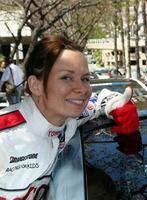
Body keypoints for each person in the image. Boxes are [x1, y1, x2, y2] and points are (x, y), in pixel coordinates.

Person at [0, 35, 139, 199]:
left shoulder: (71, 118)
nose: (82, 88)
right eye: (66, 77)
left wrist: (117, 106)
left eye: (85, 79)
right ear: (35, 85)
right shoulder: (5, 137)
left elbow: (101, 100)